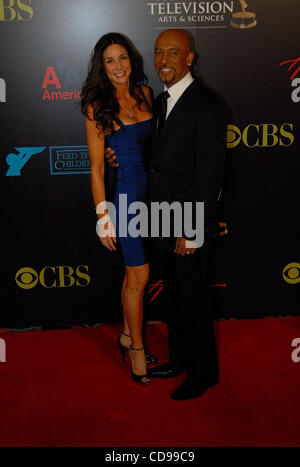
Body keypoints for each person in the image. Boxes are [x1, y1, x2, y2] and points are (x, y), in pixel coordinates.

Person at [106, 29, 228, 400]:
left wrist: (190, 231)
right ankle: (180, 359)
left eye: (174, 53)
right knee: (174, 298)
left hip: (186, 223)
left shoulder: (208, 105)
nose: (164, 61)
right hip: (160, 218)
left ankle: (203, 373)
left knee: (194, 300)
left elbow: (209, 176)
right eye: (159, 53)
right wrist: (119, 156)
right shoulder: (160, 102)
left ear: (190, 57)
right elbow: (157, 159)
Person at [81, 33, 155, 385]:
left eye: (122, 57)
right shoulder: (97, 105)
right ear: (102, 65)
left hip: (155, 195)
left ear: (131, 59)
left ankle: (127, 335)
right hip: (125, 197)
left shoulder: (145, 94)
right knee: (139, 276)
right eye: (110, 60)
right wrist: (103, 218)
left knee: (135, 274)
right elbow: (96, 167)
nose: (118, 66)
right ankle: (137, 350)